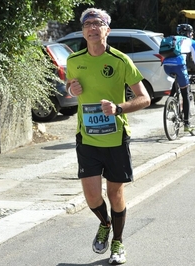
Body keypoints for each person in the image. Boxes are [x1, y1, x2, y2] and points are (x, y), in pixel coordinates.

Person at [65, 7, 151, 265]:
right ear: (83, 31)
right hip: (87, 138)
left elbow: (145, 98)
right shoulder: (74, 61)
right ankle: (105, 223)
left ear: (107, 30)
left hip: (115, 139)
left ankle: (118, 242)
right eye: (87, 24)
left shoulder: (121, 60)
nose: (92, 27)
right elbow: (72, 89)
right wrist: (71, 87)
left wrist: (119, 108)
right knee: (92, 196)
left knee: (115, 195)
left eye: (98, 23)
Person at [162, 24, 195, 132]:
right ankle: (187, 124)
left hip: (166, 66)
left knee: (177, 81)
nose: (192, 35)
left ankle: (171, 101)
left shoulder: (173, 39)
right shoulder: (192, 42)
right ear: (189, 33)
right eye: (192, 33)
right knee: (185, 93)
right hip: (179, 66)